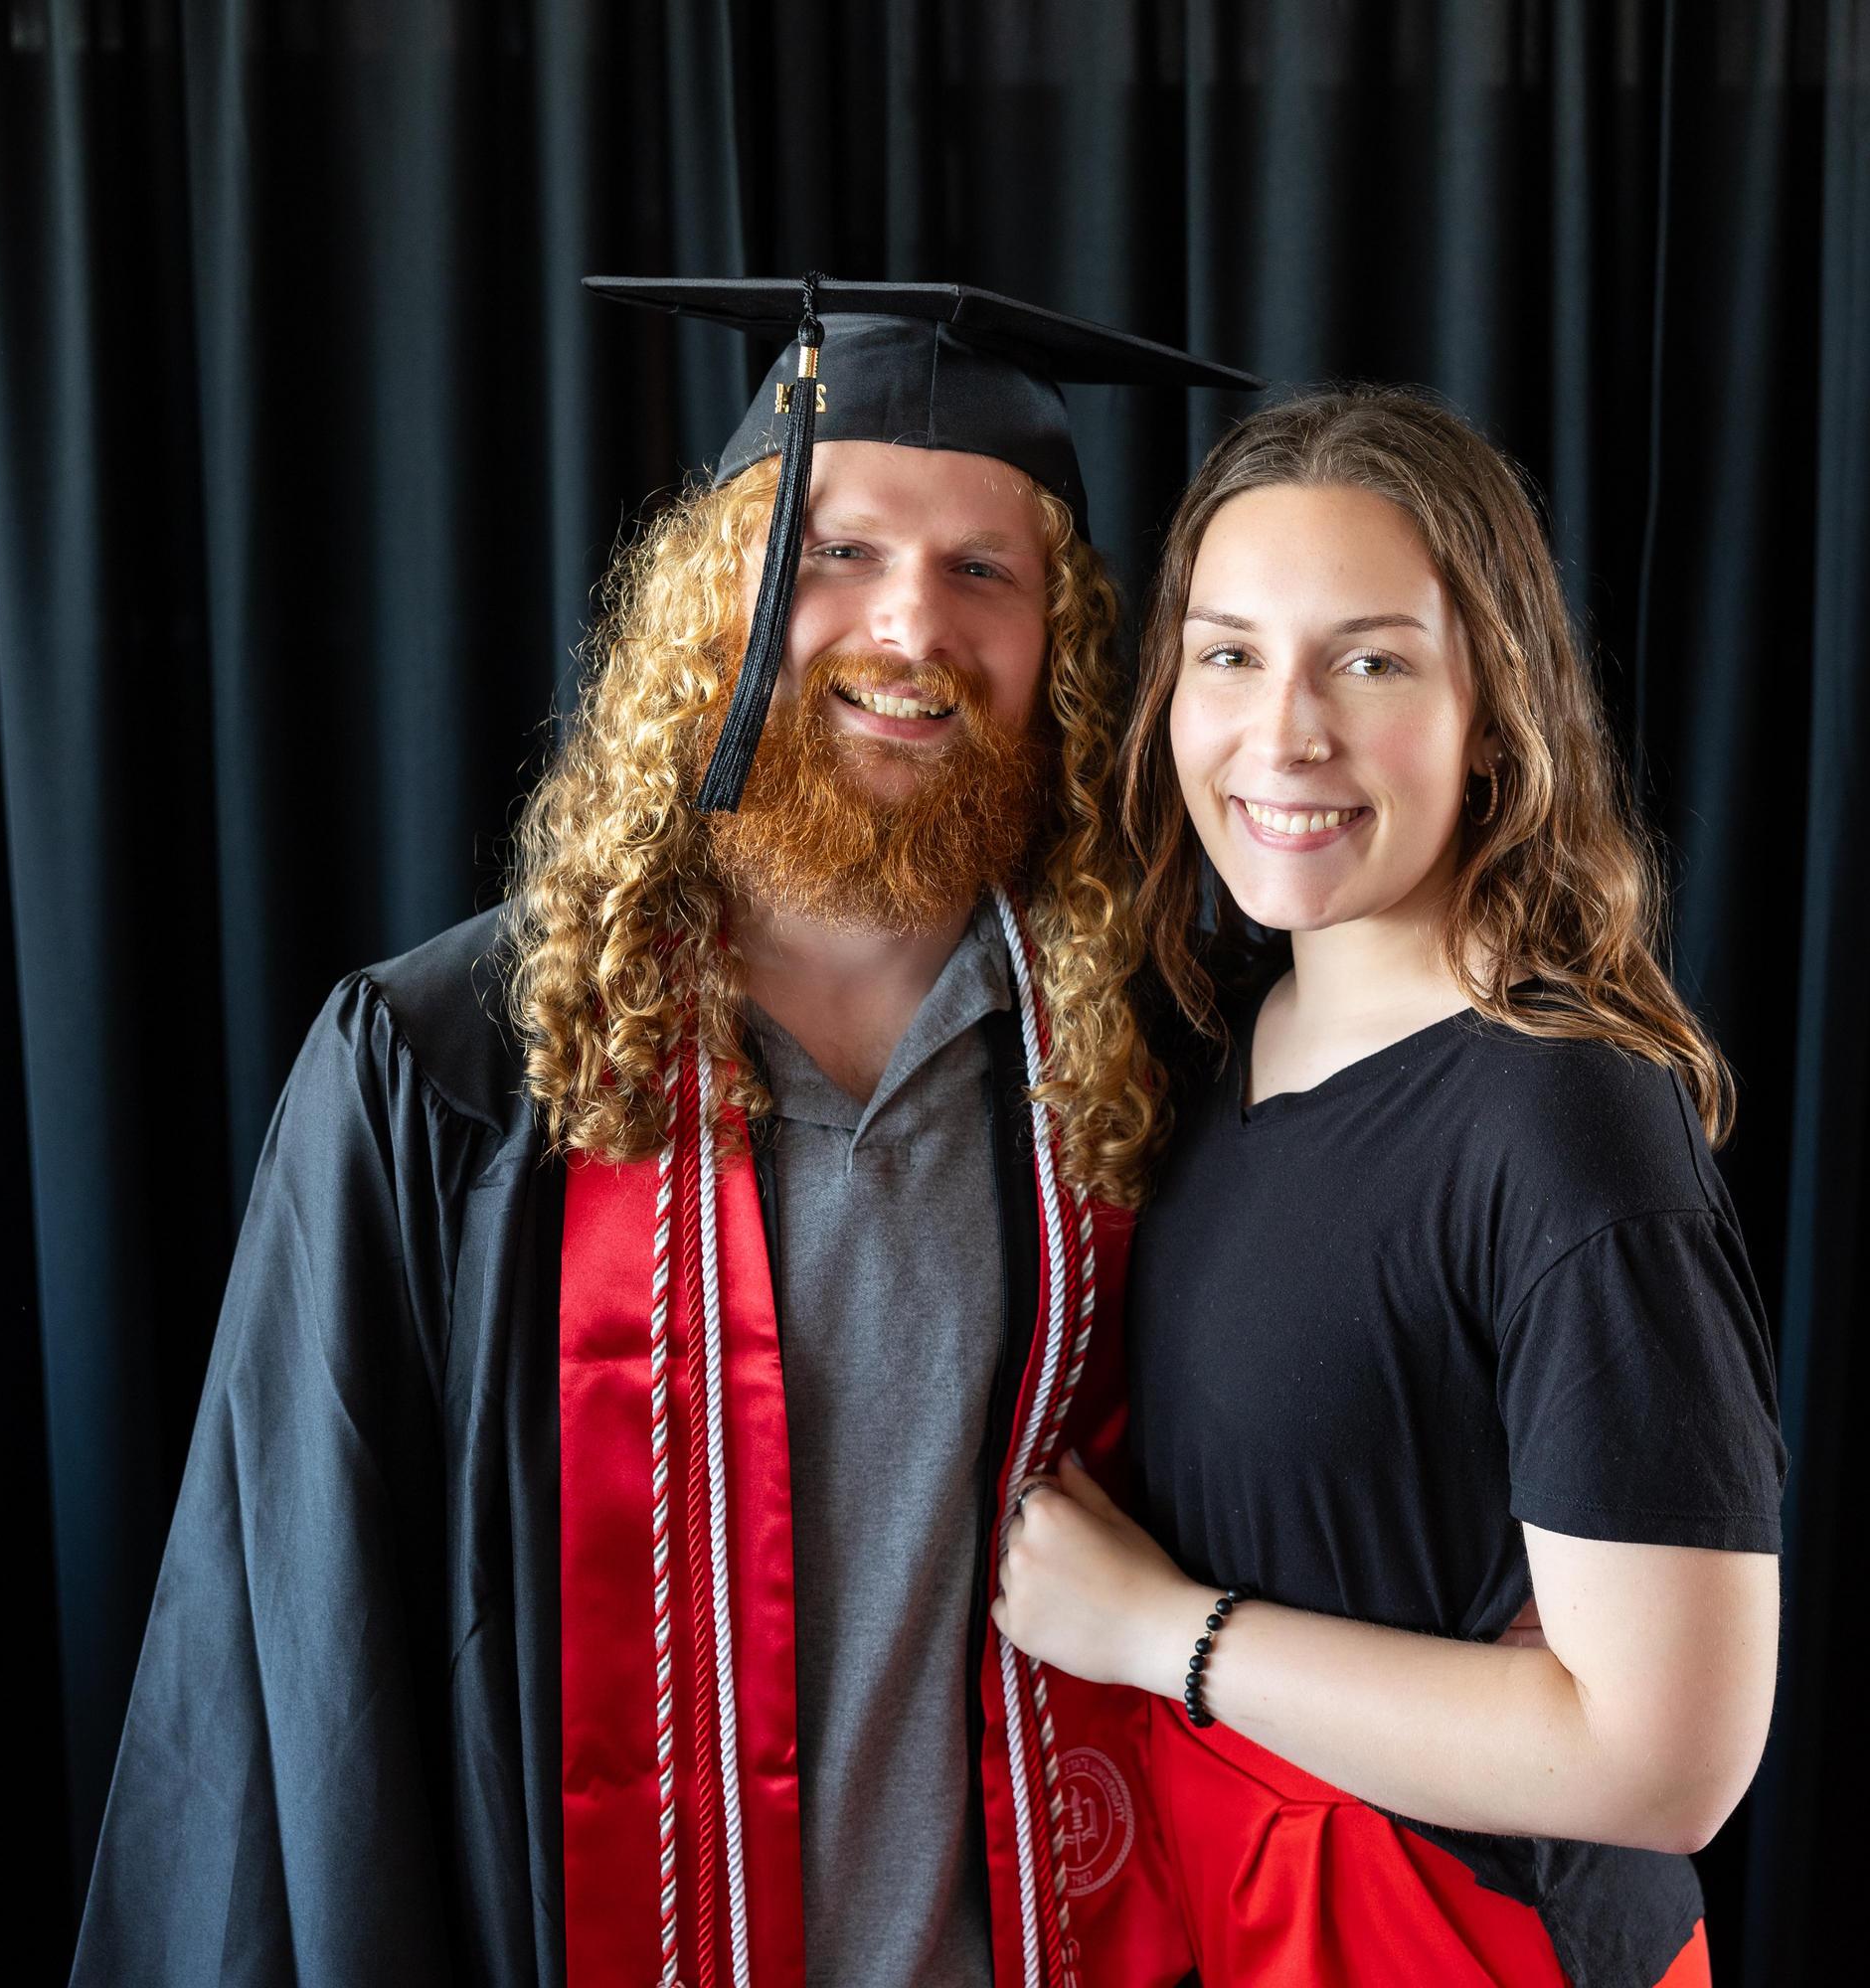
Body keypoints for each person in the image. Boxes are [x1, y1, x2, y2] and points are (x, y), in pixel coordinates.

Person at [71, 277, 1252, 1988]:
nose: (910, 629)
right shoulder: (456, 1071)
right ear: (723, 595)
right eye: (840, 550)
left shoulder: (1155, 1060)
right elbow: (303, 1670)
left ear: (1059, 639)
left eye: (985, 570)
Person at [992, 386, 1785, 1988]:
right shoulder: (1213, 1035)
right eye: (1228, 652)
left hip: (1458, 1946)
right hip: (1235, 1913)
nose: (1285, 730)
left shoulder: (1562, 1125)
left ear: (1497, 711)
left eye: (1370, 660)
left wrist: (1162, 1635)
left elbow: (1667, 1762)